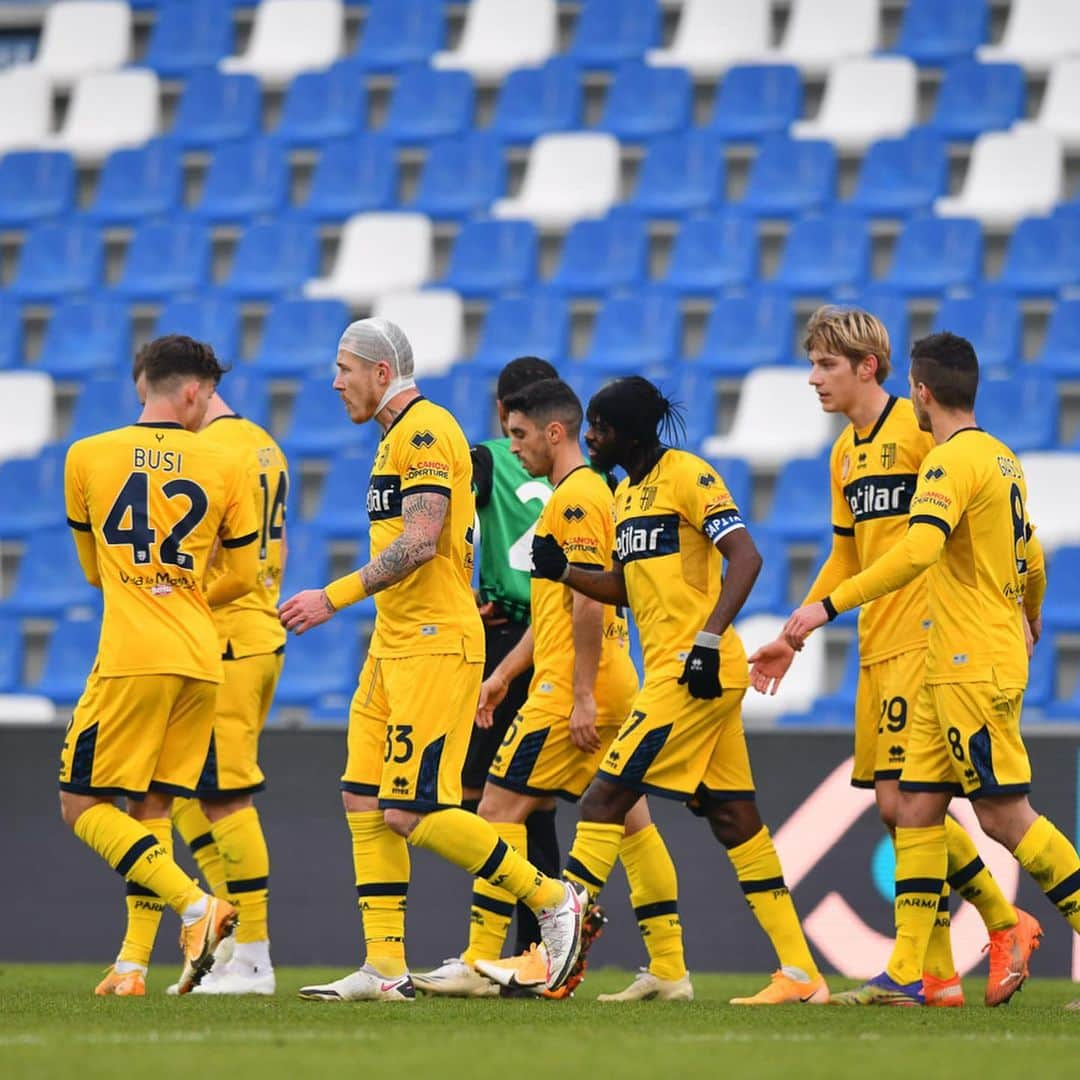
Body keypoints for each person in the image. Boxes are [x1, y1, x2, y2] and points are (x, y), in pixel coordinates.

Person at [482, 376, 828, 1005]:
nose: (590, 436)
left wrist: (708, 636)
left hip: (694, 672)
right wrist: (568, 573)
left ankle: (553, 958)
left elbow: (745, 557)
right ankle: (801, 974)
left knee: (603, 798)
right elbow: (626, 588)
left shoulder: (687, 475)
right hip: (682, 672)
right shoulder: (632, 495)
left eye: (601, 427)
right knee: (734, 817)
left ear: (629, 432)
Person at [278, 318, 584, 1002]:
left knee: (413, 812)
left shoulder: (422, 431)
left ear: (382, 373)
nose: (335, 382)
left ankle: (552, 899)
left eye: (345, 368)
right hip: (394, 643)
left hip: (434, 643)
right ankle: (385, 968)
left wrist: (332, 596)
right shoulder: (396, 437)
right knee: (362, 796)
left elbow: (420, 541)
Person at [749, 308, 1039, 1008]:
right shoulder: (844, 454)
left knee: (910, 804)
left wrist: (1021, 609)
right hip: (875, 647)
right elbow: (848, 553)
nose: (813, 378)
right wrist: (796, 634)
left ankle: (938, 961)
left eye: (824, 365)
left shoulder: (923, 431)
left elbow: (955, 538)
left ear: (867, 368)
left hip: (929, 640)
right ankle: (958, 958)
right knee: (896, 808)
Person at [415, 379, 690, 1001]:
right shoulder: (593, 492)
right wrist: (505, 674)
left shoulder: (574, 499)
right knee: (633, 823)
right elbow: (560, 606)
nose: (512, 449)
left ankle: (480, 960)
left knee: (494, 812)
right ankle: (671, 970)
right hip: (605, 681)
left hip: (570, 688)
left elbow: (590, 608)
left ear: (554, 432)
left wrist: (582, 694)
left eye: (518, 434)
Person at [59, 334, 260, 995]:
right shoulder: (223, 463)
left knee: (80, 801)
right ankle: (132, 964)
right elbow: (241, 570)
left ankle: (198, 907)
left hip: (133, 652)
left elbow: (95, 573)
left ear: (143, 385)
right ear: (195, 392)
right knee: (152, 806)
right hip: (201, 656)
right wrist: (186, 587)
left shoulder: (86, 455)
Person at [95, 355, 289, 997]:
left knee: (225, 798)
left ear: (192, 393)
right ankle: (226, 939)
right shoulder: (262, 443)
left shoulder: (208, 453)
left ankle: (252, 957)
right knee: (186, 797)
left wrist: (173, 593)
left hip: (225, 637)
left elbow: (218, 561)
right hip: (256, 635)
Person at [464, 356, 561, 962]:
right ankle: (539, 944)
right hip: (564, 638)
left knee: (487, 799)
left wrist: (460, 596)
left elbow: (443, 528)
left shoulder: (485, 458)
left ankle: (503, 946)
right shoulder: (582, 469)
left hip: (506, 638)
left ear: (504, 412)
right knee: (538, 801)